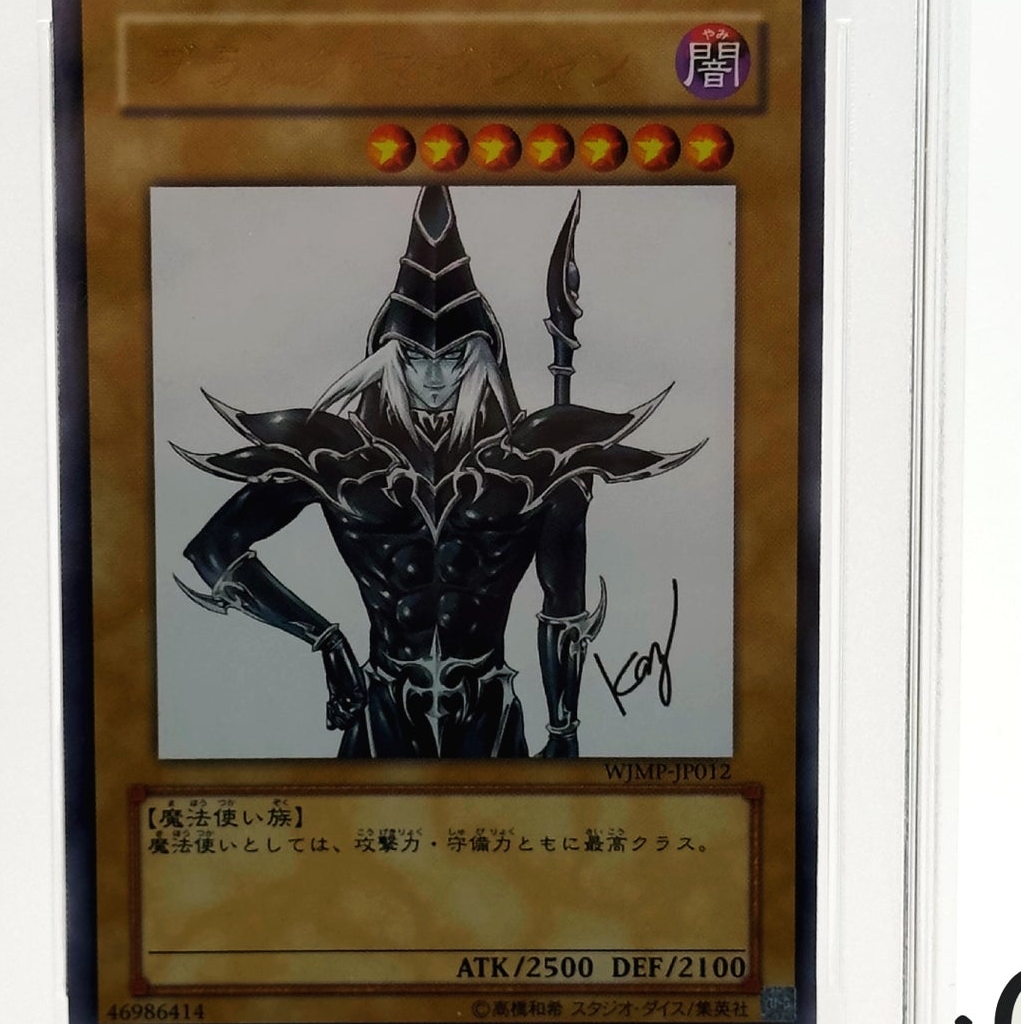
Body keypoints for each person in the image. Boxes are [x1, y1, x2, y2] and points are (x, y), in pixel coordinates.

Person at [174, 185, 698, 757]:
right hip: (380, 708)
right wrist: (324, 639)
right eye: (413, 358)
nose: (432, 378)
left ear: (480, 357)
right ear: (386, 358)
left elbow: (562, 605)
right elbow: (213, 551)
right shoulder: (341, 456)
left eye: (450, 359)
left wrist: (564, 729)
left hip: (487, 711)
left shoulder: (536, 460)